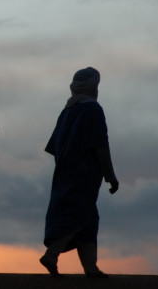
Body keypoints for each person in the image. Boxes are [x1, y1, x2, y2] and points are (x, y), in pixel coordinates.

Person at [40, 67, 119, 278]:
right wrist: (109, 175)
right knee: (78, 216)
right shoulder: (92, 110)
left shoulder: (68, 110)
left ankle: (90, 268)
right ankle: (51, 254)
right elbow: (100, 145)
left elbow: (54, 146)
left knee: (88, 219)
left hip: (65, 172)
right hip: (84, 174)